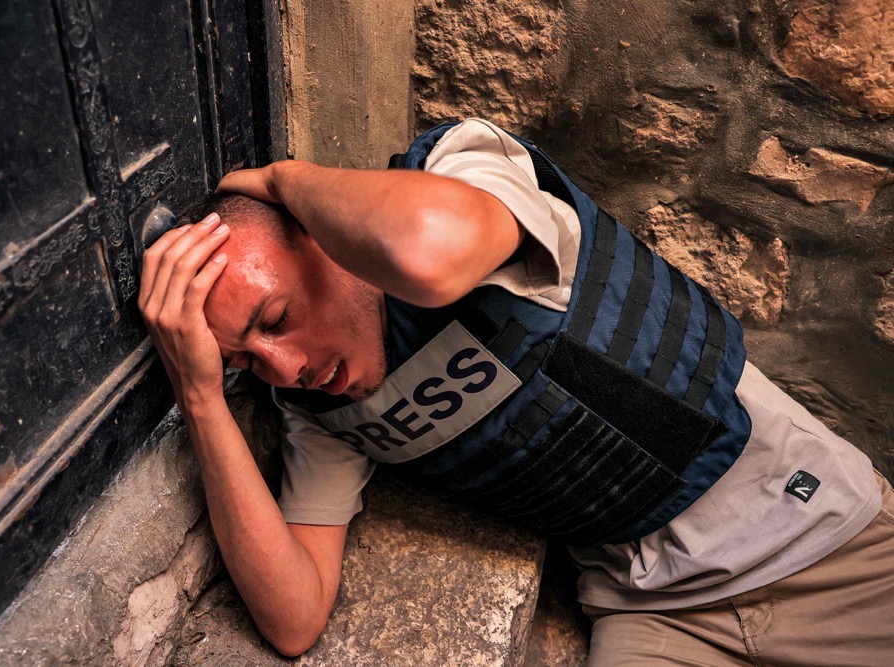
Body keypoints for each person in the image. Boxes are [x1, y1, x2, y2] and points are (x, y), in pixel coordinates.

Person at [137, 118, 894, 664]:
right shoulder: (325, 407)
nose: (281, 367)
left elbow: (430, 255)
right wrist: (202, 395)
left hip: (820, 537)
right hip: (656, 611)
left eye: (275, 319)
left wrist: (282, 179)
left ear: (320, 233)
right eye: (245, 362)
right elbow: (294, 617)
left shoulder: (466, 169)